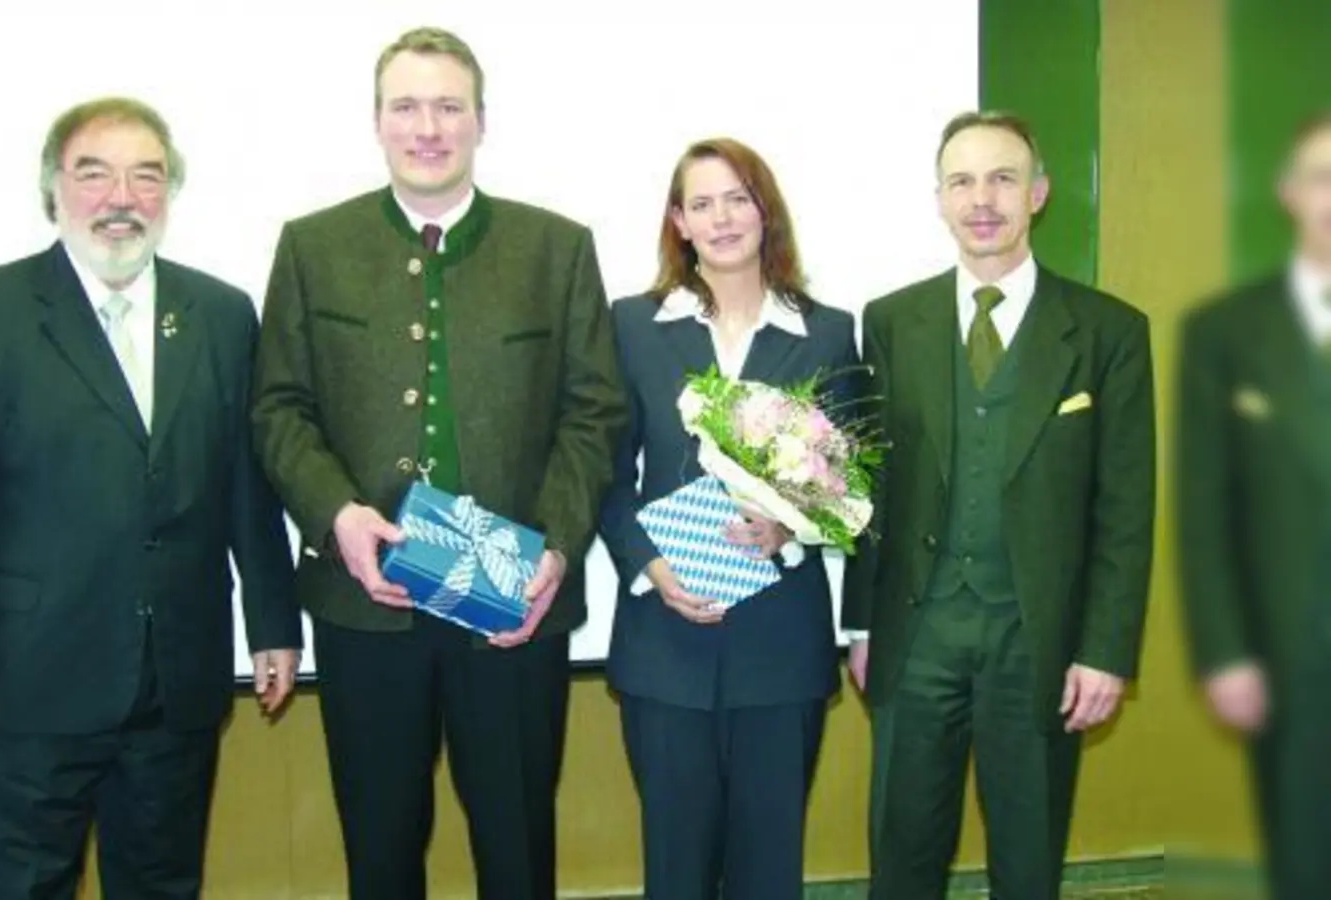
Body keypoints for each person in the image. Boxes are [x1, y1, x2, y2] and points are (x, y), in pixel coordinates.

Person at [251, 25, 628, 900]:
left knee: (518, 844)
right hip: (364, 599)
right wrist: (337, 514)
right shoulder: (313, 246)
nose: (429, 127)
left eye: (449, 106)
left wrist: (556, 546)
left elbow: (594, 412)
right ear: (377, 122)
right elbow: (278, 408)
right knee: (379, 848)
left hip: (512, 600)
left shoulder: (556, 247)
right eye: (407, 106)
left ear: (481, 122)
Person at [0, 97, 300, 900]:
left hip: (175, 682)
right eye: (95, 173)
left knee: (162, 884)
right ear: (54, 190)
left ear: (169, 193)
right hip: (29, 683)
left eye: (146, 175)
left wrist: (272, 625)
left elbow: (245, 487)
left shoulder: (221, 314)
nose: (122, 198)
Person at [842, 110, 1155, 899]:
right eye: (963, 181)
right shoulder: (889, 321)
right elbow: (865, 485)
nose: (983, 199)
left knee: (1029, 857)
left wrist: (1107, 648)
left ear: (1039, 193)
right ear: (941, 200)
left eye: (1003, 178)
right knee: (902, 855)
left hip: (1041, 644)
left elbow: (1125, 506)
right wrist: (863, 622)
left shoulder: (1109, 331)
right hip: (917, 635)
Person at [596, 137, 865, 900]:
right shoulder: (631, 325)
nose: (721, 219)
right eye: (702, 203)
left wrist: (790, 527)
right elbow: (605, 476)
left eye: (737, 198)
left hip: (781, 642)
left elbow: (845, 488)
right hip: (665, 641)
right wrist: (648, 565)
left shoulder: (828, 331)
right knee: (675, 871)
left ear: (764, 210)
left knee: (768, 870)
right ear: (678, 222)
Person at [1176, 109, 1331, 900]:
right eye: (1322, 177)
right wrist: (1225, 651)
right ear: (1288, 193)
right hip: (1288, 655)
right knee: (1305, 856)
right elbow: (1203, 511)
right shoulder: (1224, 332)